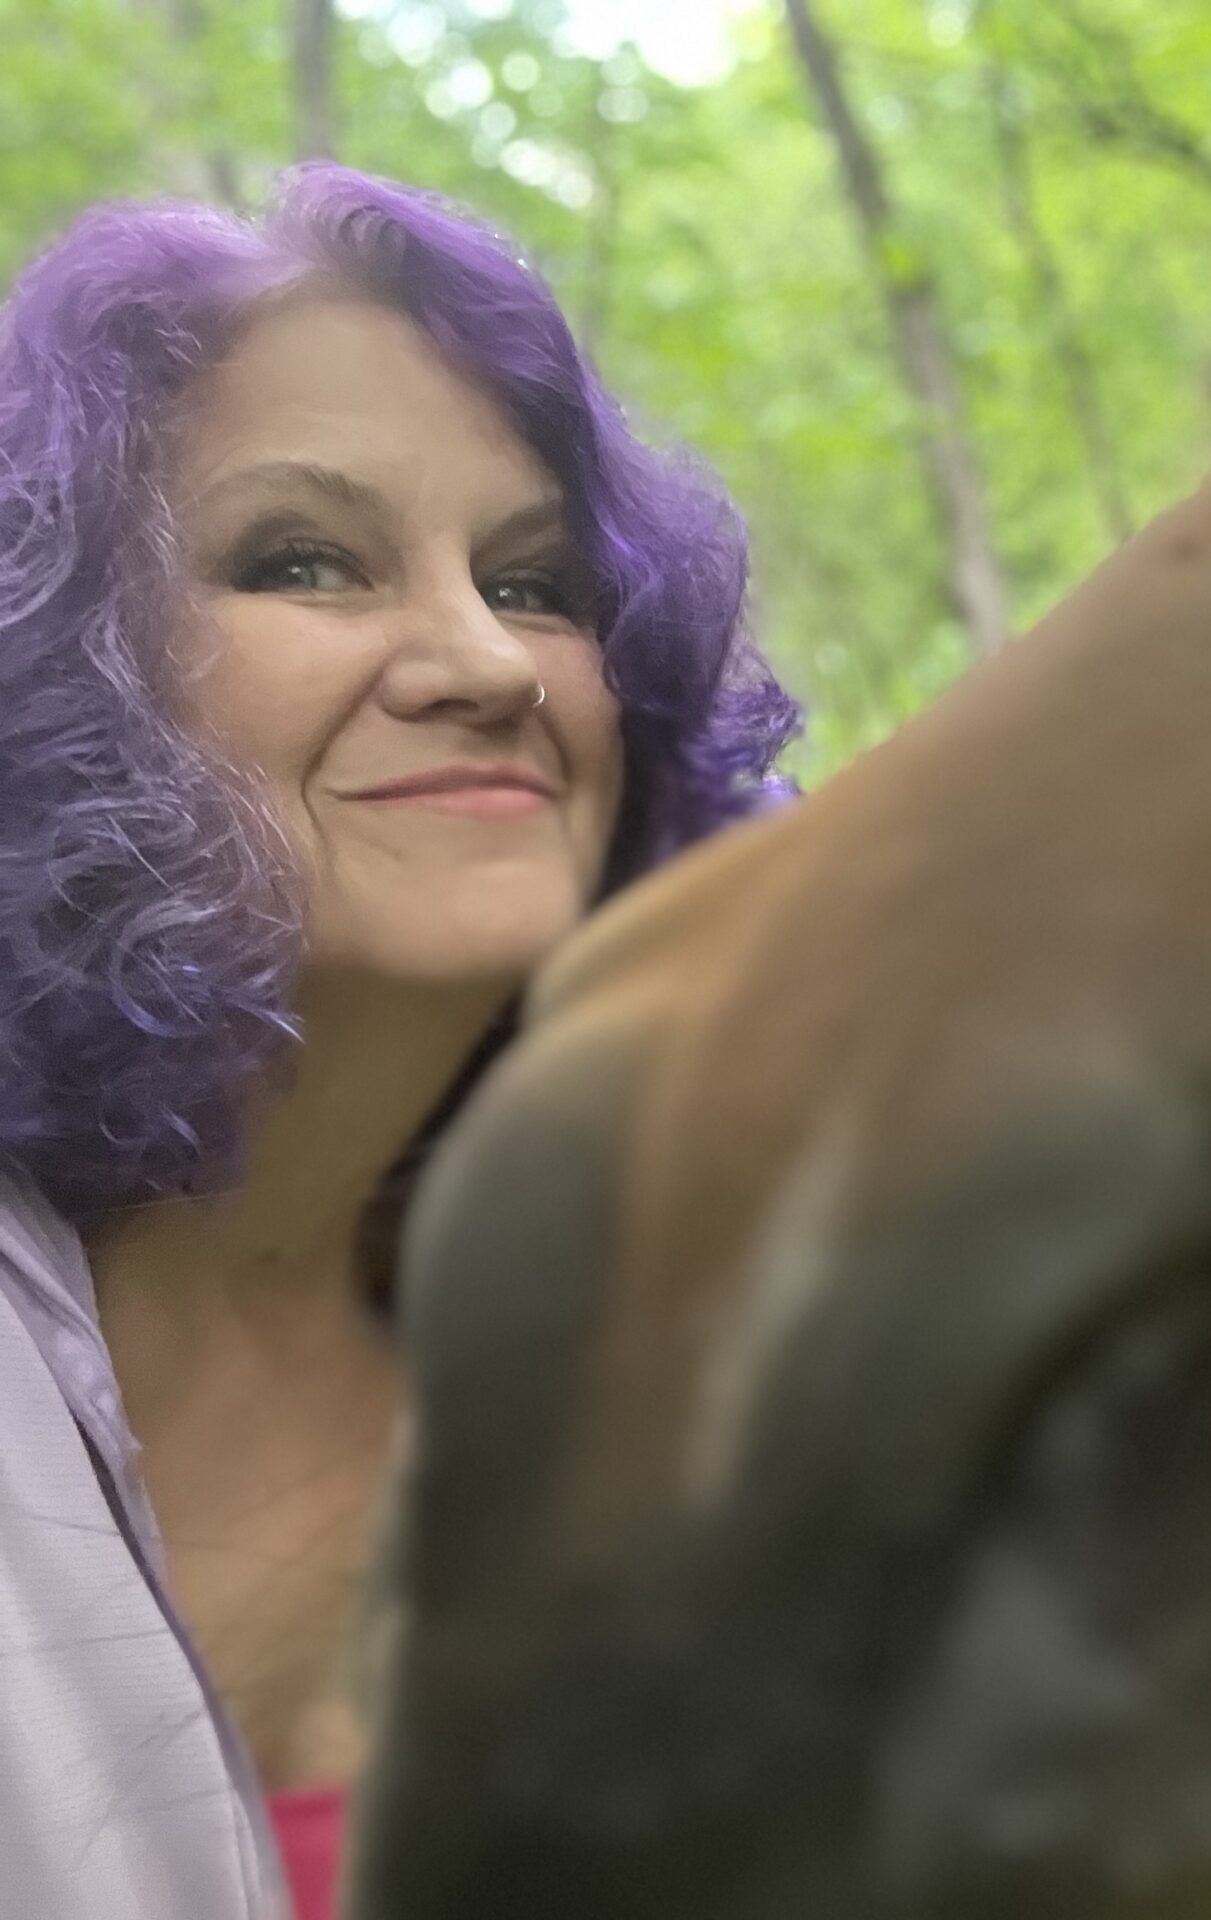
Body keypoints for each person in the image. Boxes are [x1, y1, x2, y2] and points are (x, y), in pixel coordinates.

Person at [0, 165, 799, 1919]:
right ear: (60, 677)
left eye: (535, 586)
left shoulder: (697, 1332)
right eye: (305, 560)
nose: (484, 663)